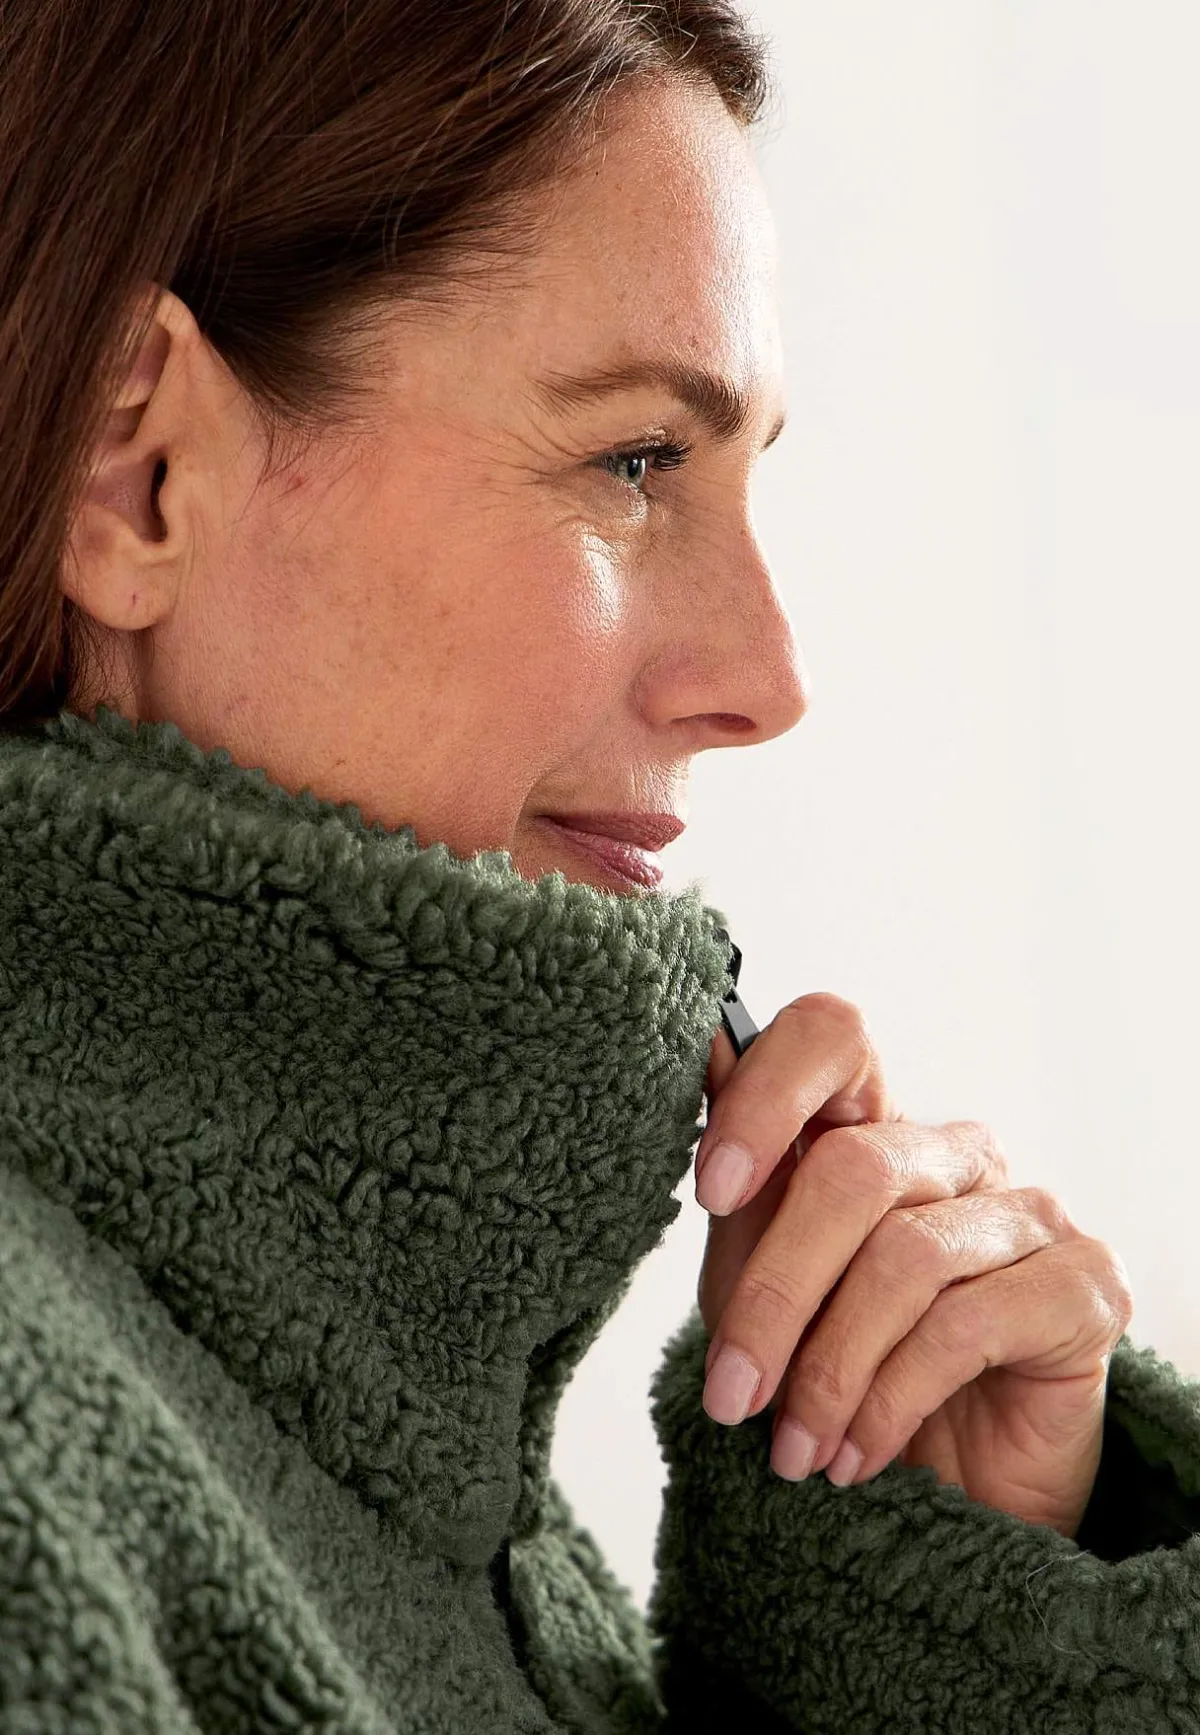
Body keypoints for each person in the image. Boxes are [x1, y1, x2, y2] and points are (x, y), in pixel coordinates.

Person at [0, 1, 1198, 1729]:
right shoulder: (39, 1456)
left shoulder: (413, 1476)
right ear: (140, 470)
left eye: (741, 478)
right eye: (635, 463)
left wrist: (945, 1618)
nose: (770, 680)